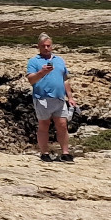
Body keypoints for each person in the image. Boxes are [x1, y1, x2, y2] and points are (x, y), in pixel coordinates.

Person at [26, 34, 75, 162]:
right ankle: (44, 152)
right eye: (43, 46)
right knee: (44, 124)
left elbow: (65, 80)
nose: (46, 48)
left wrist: (70, 97)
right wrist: (42, 72)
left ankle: (65, 152)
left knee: (62, 124)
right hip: (42, 98)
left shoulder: (59, 60)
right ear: (38, 47)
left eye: (48, 46)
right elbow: (31, 79)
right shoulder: (34, 61)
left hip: (59, 98)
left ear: (52, 46)